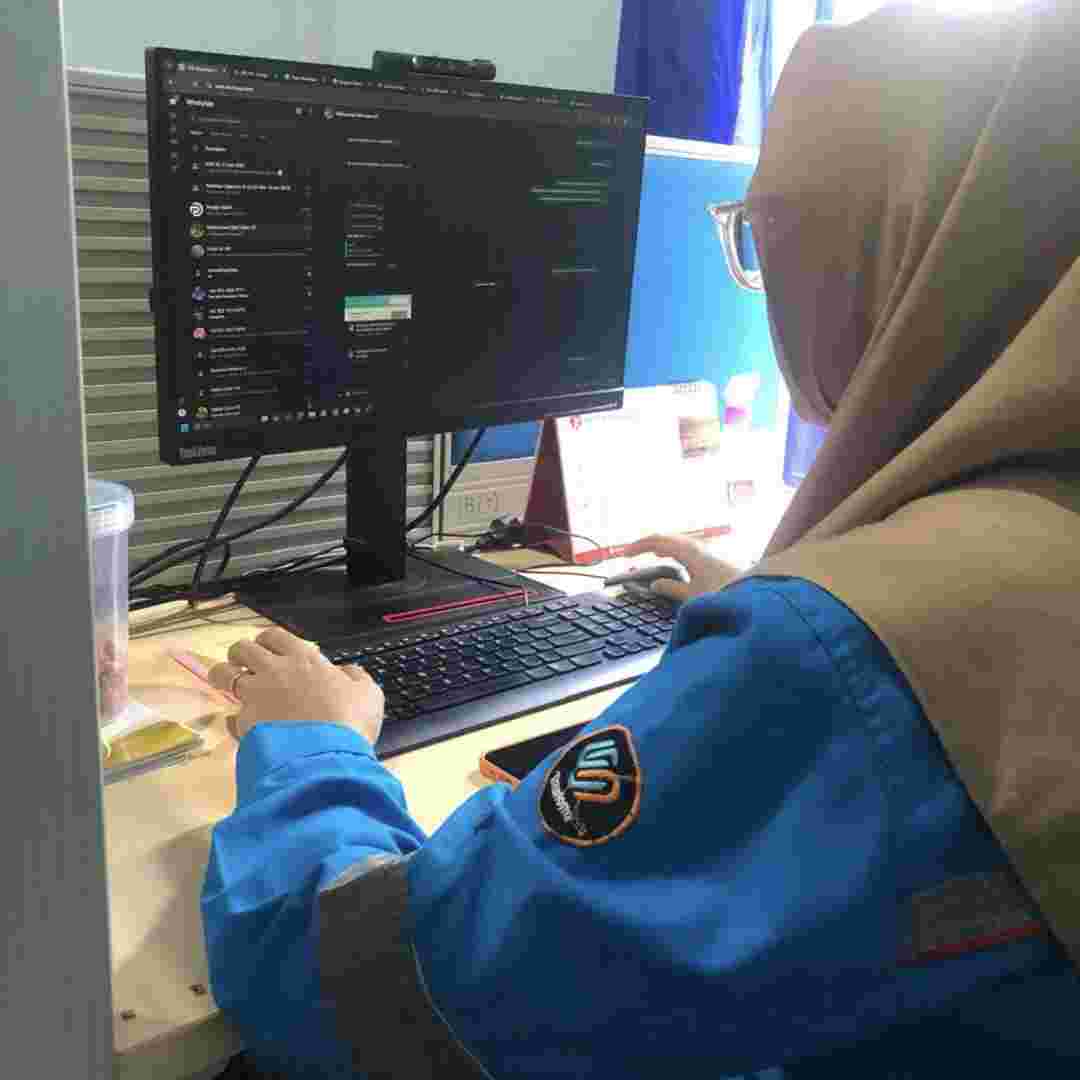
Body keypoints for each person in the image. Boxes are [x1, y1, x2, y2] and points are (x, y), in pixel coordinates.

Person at [203, 2, 1080, 1076]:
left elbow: (351, 982)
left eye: (767, 236)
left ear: (880, 249)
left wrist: (309, 744)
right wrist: (790, 597)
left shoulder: (845, 658)